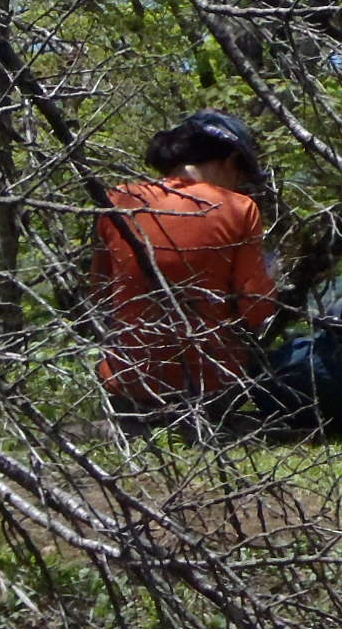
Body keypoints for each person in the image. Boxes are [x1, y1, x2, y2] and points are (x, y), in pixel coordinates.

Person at [94, 109, 277, 432]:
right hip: (208, 389)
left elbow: (99, 294)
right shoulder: (239, 207)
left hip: (129, 387)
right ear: (232, 160)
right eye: (242, 176)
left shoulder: (117, 200)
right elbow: (255, 308)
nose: (241, 186)